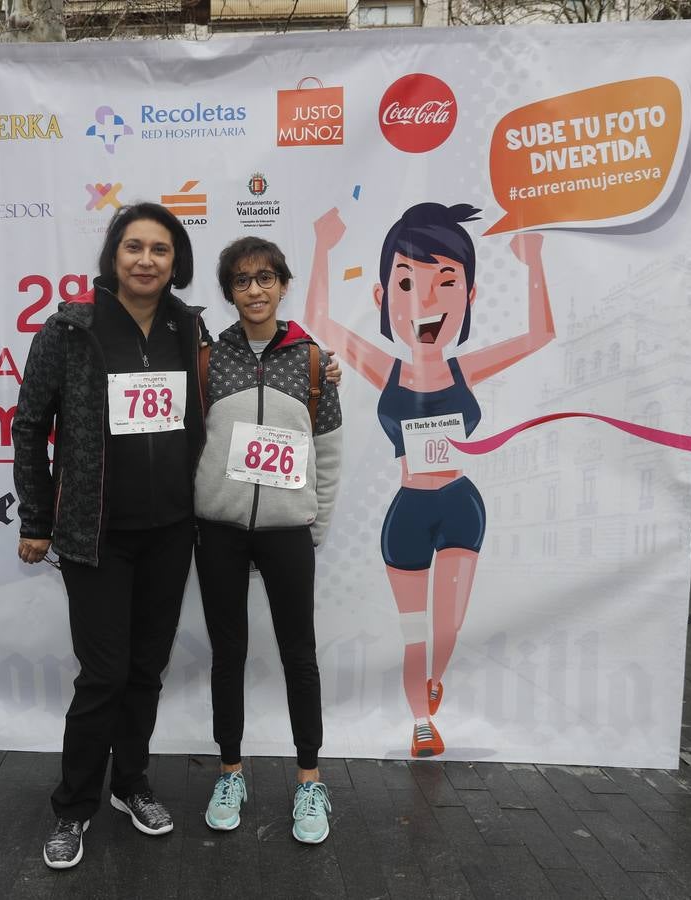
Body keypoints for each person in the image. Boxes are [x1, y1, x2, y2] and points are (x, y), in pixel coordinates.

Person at [306, 203, 553, 758]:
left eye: (447, 282)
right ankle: (422, 719)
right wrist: (323, 247)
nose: (427, 299)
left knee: (447, 631)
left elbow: (539, 334)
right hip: (409, 513)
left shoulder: (466, 369)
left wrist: (533, 262)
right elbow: (319, 322)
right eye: (406, 282)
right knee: (414, 632)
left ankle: (435, 677)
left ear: (469, 296)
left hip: (461, 505)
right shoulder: (384, 368)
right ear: (382, 297)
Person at [13, 202, 208, 870]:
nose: (146, 260)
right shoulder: (71, 330)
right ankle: (72, 808)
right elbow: (29, 425)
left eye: (160, 249)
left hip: (171, 532)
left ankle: (131, 784)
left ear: (175, 261)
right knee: (103, 676)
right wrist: (37, 521)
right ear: (113, 256)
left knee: (146, 671)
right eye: (134, 247)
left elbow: (215, 413)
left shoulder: (191, 329)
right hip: (96, 535)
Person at [193, 237, 343, 844]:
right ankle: (231, 771)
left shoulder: (312, 361)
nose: (254, 289)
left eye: (265, 278)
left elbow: (328, 451)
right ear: (228, 291)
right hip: (220, 531)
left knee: (298, 655)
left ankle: (310, 779)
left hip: (287, 532)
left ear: (283, 285)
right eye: (241, 280)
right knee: (227, 654)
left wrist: (317, 525)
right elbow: (187, 445)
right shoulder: (205, 359)